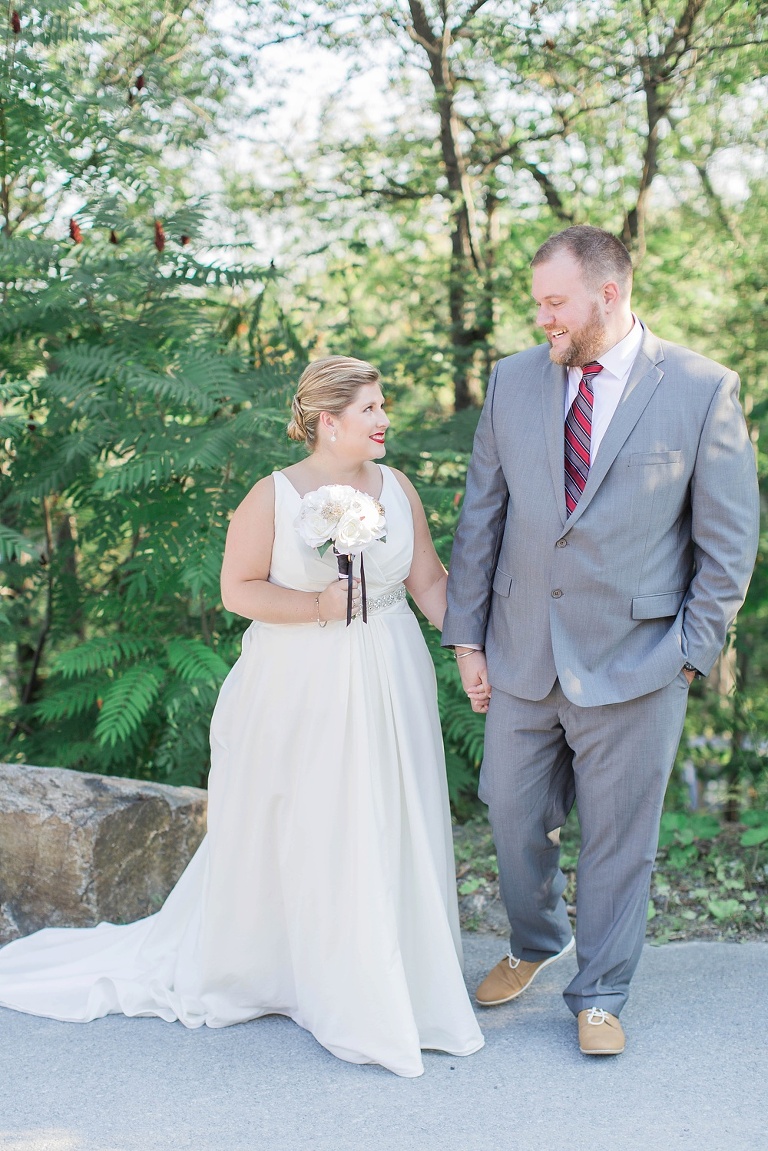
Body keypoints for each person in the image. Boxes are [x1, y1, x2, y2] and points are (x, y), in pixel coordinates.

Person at [0, 355, 484, 1078]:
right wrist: (319, 605)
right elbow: (238, 589)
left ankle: (394, 972)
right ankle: (309, 975)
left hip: (393, 670)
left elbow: (427, 581)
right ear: (329, 421)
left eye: (383, 406)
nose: (386, 420)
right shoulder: (276, 495)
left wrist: (469, 653)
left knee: (390, 811)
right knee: (318, 820)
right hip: (303, 680)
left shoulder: (398, 487)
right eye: (372, 408)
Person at [442, 225, 759, 1056]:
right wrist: (467, 640)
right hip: (520, 650)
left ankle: (602, 990)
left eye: (555, 301)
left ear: (607, 296)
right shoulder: (512, 382)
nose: (541, 317)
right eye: (537, 301)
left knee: (622, 840)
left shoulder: (699, 388)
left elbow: (728, 543)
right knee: (510, 812)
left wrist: (692, 651)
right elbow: (483, 517)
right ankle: (537, 940)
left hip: (642, 659)